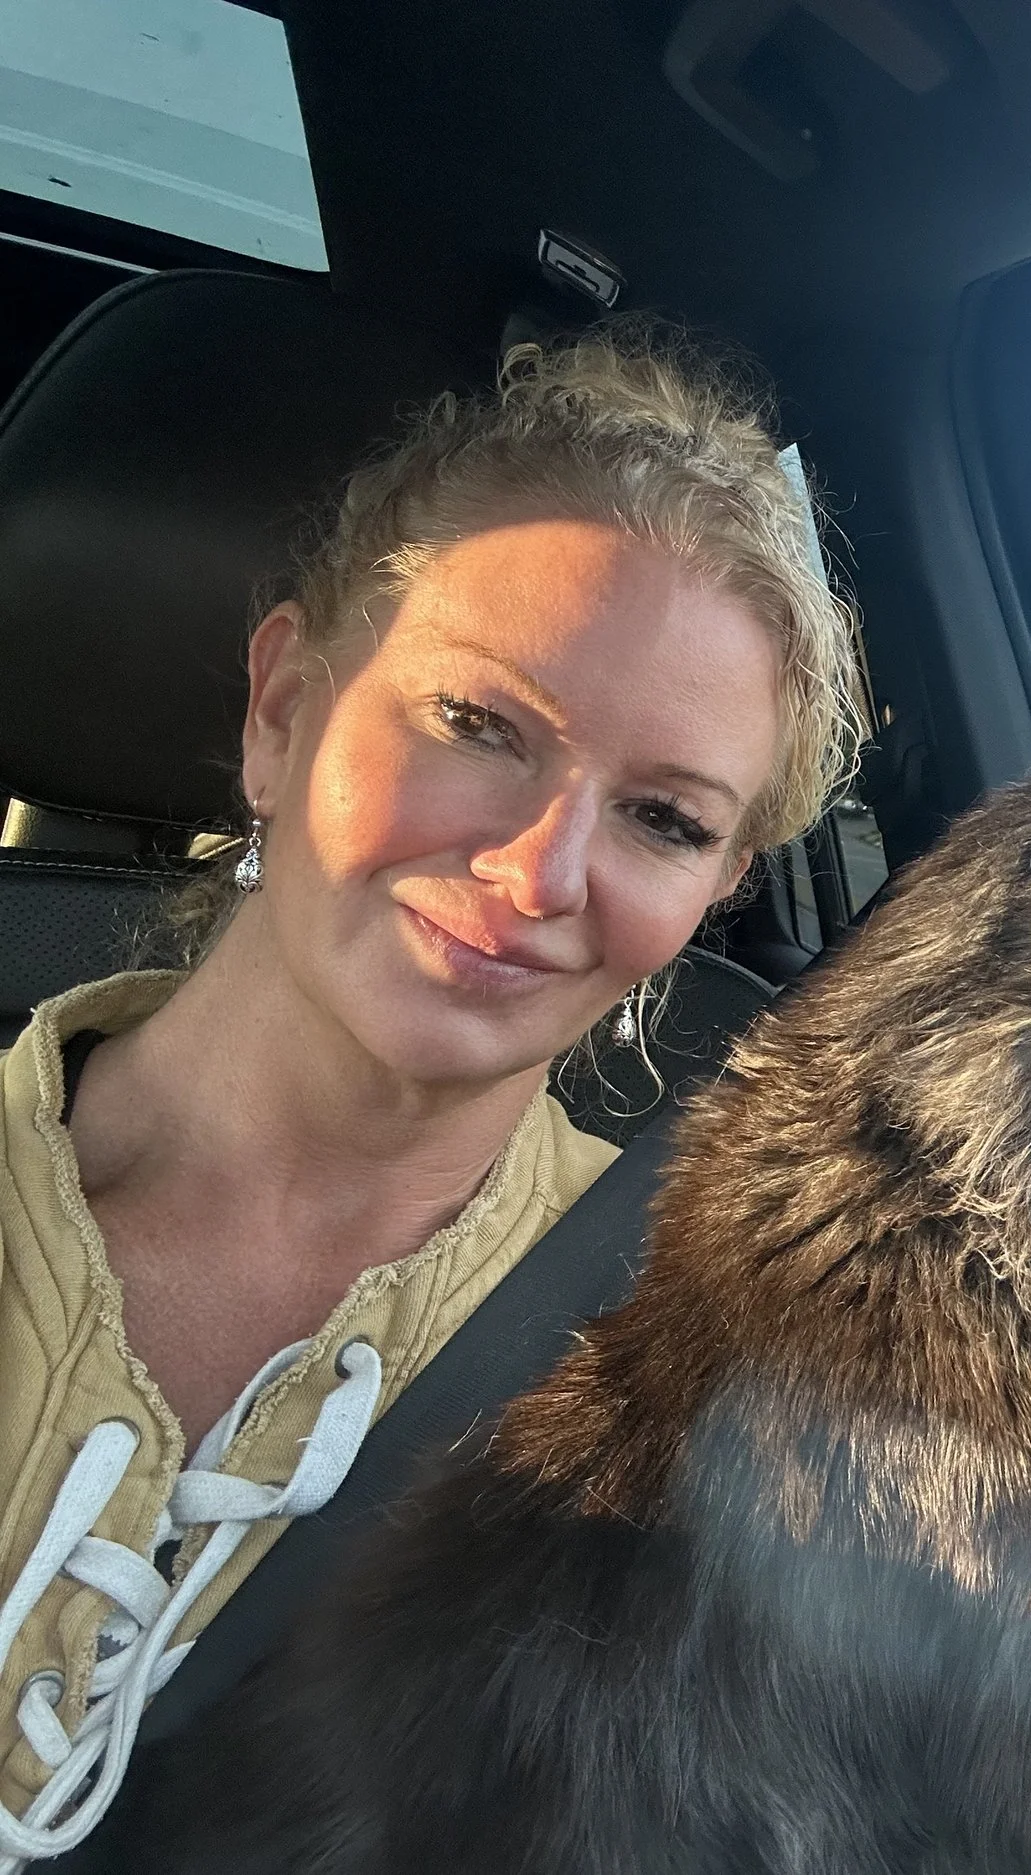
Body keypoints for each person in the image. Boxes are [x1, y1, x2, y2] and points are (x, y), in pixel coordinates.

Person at [0, 333, 866, 1863]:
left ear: (717, 890)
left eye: (662, 818)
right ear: (283, 711)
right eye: (479, 724)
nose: (542, 873)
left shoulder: (725, 1386)